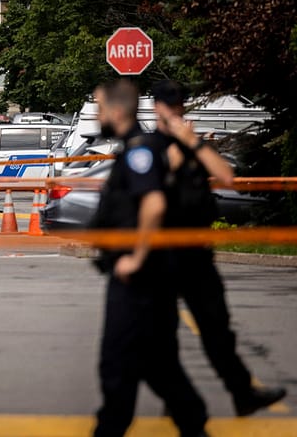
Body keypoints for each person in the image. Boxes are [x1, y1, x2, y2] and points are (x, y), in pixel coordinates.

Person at [151, 80, 287, 417]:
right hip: (164, 253)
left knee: (216, 328)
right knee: (162, 333)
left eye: (179, 105)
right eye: (169, 105)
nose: (175, 111)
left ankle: (242, 394)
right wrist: (178, 149)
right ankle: (175, 398)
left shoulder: (194, 144)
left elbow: (226, 176)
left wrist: (193, 144)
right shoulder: (149, 146)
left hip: (196, 252)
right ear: (156, 108)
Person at [90, 78, 209, 437]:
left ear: (116, 111)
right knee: (156, 364)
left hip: (138, 281)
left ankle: (111, 428)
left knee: (117, 362)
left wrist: (136, 258)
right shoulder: (136, 147)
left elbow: (154, 203)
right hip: (147, 280)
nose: (97, 115)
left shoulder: (138, 152)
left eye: (99, 108)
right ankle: (193, 422)